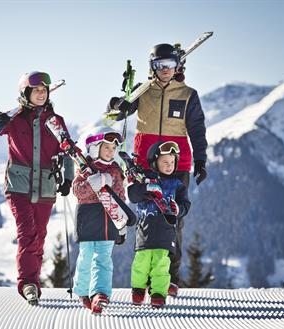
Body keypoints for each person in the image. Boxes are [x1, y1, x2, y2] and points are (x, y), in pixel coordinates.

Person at [108, 43, 207, 295]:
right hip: (144, 163)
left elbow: (196, 129)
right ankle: (145, 277)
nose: (165, 70)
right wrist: (119, 102)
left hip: (177, 163)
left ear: (178, 67)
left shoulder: (187, 94)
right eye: (160, 65)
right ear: (152, 67)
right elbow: (115, 115)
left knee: (173, 219)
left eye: (170, 65)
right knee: (147, 217)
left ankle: (169, 278)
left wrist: (201, 160)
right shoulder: (143, 91)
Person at [0, 71, 74, 305]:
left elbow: (67, 150)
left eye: (44, 90)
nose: (41, 94)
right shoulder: (14, 119)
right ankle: (27, 284)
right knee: (28, 233)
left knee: (40, 236)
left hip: (45, 186)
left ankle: (33, 282)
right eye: (36, 90)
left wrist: (68, 178)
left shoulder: (55, 121)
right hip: (19, 185)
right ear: (26, 93)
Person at [127, 141, 191, 307]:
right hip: (145, 229)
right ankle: (138, 290)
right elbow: (132, 195)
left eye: (172, 162)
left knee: (161, 264)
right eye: (165, 162)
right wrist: (145, 189)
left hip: (166, 230)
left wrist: (178, 209)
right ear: (155, 162)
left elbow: (186, 204)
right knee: (142, 261)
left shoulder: (177, 185)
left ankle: (158, 293)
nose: (169, 166)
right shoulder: (145, 179)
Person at [71, 127, 126, 314]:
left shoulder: (116, 170)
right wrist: (93, 183)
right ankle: (83, 291)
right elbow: (77, 191)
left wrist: (122, 223)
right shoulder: (85, 168)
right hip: (88, 217)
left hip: (109, 219)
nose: (111, 152)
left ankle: (100, 293)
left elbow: (121, 197)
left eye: (113, 149)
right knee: (86, 256)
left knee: (103, 258)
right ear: (95, 148)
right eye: (106, 148)